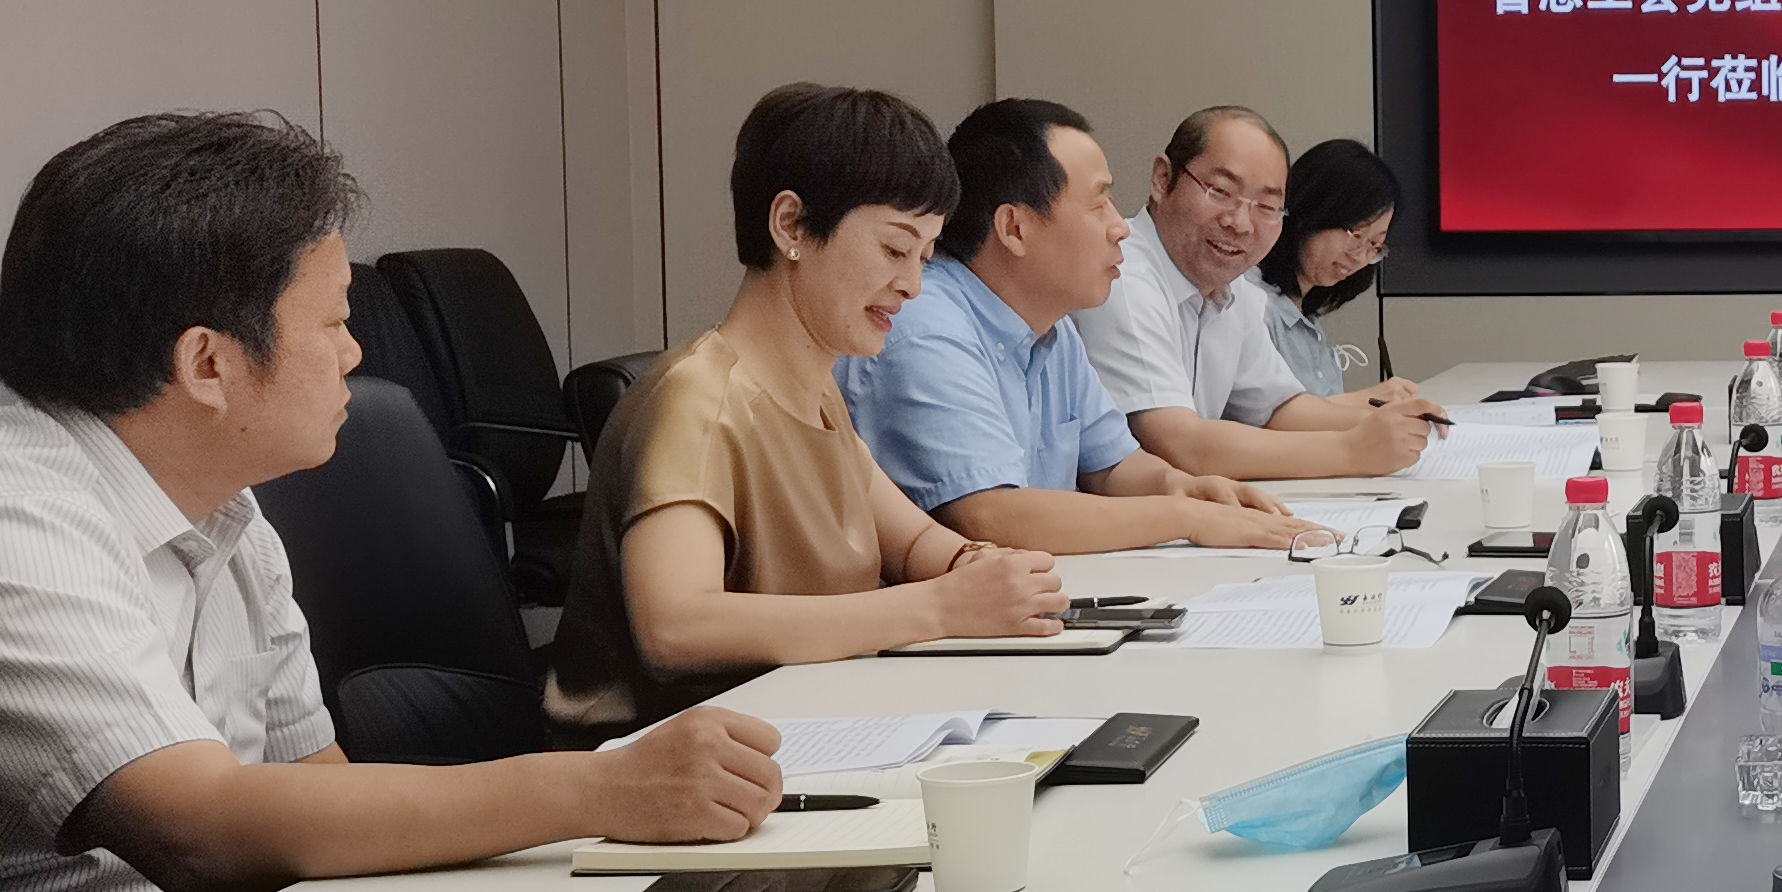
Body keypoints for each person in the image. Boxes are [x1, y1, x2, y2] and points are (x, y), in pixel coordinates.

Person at [0, 114, 785, 892]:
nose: (356, 354)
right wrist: (604, 789)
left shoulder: (215, 498)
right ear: (208, 363)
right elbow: (208, 833)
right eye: (335, 322)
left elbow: (316, 790)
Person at [544, 84, 1068, 736]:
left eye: (925, 256)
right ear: (791, 225)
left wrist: (979, 568)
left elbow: (912, 542)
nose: (912, 284)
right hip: (671, 761)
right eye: (894, 249)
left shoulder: (817, 392)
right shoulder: (699, 401)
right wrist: (936, 608)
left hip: (802, 728)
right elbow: (675, 626)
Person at [840, 99, 1329, 554]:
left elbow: (1114, 465)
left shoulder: (1051, 328)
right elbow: (990, 515)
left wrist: (1184, 488)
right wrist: (1186, 518)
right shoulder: (926, 327)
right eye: (1099, 204)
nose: (1120, 226)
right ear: (1014, 228)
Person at [1079, 106, 1442, 481]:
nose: (1240, 223)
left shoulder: (1233, 290)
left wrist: (1388, 421)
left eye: (1267, 207)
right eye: (1221, 191)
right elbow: (1180, 444)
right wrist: (1352, 450)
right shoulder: (1122, 277)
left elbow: (1278, 409)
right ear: (1163, 178)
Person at [1260, 137, 1400, 401]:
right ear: (1312, 210)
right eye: (1355, 234)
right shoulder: (1253, 304)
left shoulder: (1304, 314)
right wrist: (1365, 402)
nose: (1359, 257)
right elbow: (1268, 416)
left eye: (1374, 245)